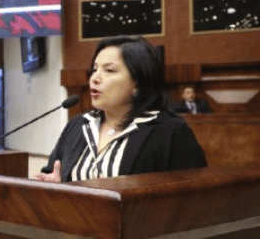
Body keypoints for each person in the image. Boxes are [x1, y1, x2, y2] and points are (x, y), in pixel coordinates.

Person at [36, 35, 207, 182]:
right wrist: (53, 185)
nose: (95, 78)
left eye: (109, 70)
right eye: (94, 69)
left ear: (138, 82)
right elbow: (52, 173)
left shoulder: (170, 132)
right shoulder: (78, 125)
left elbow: (190, 198)